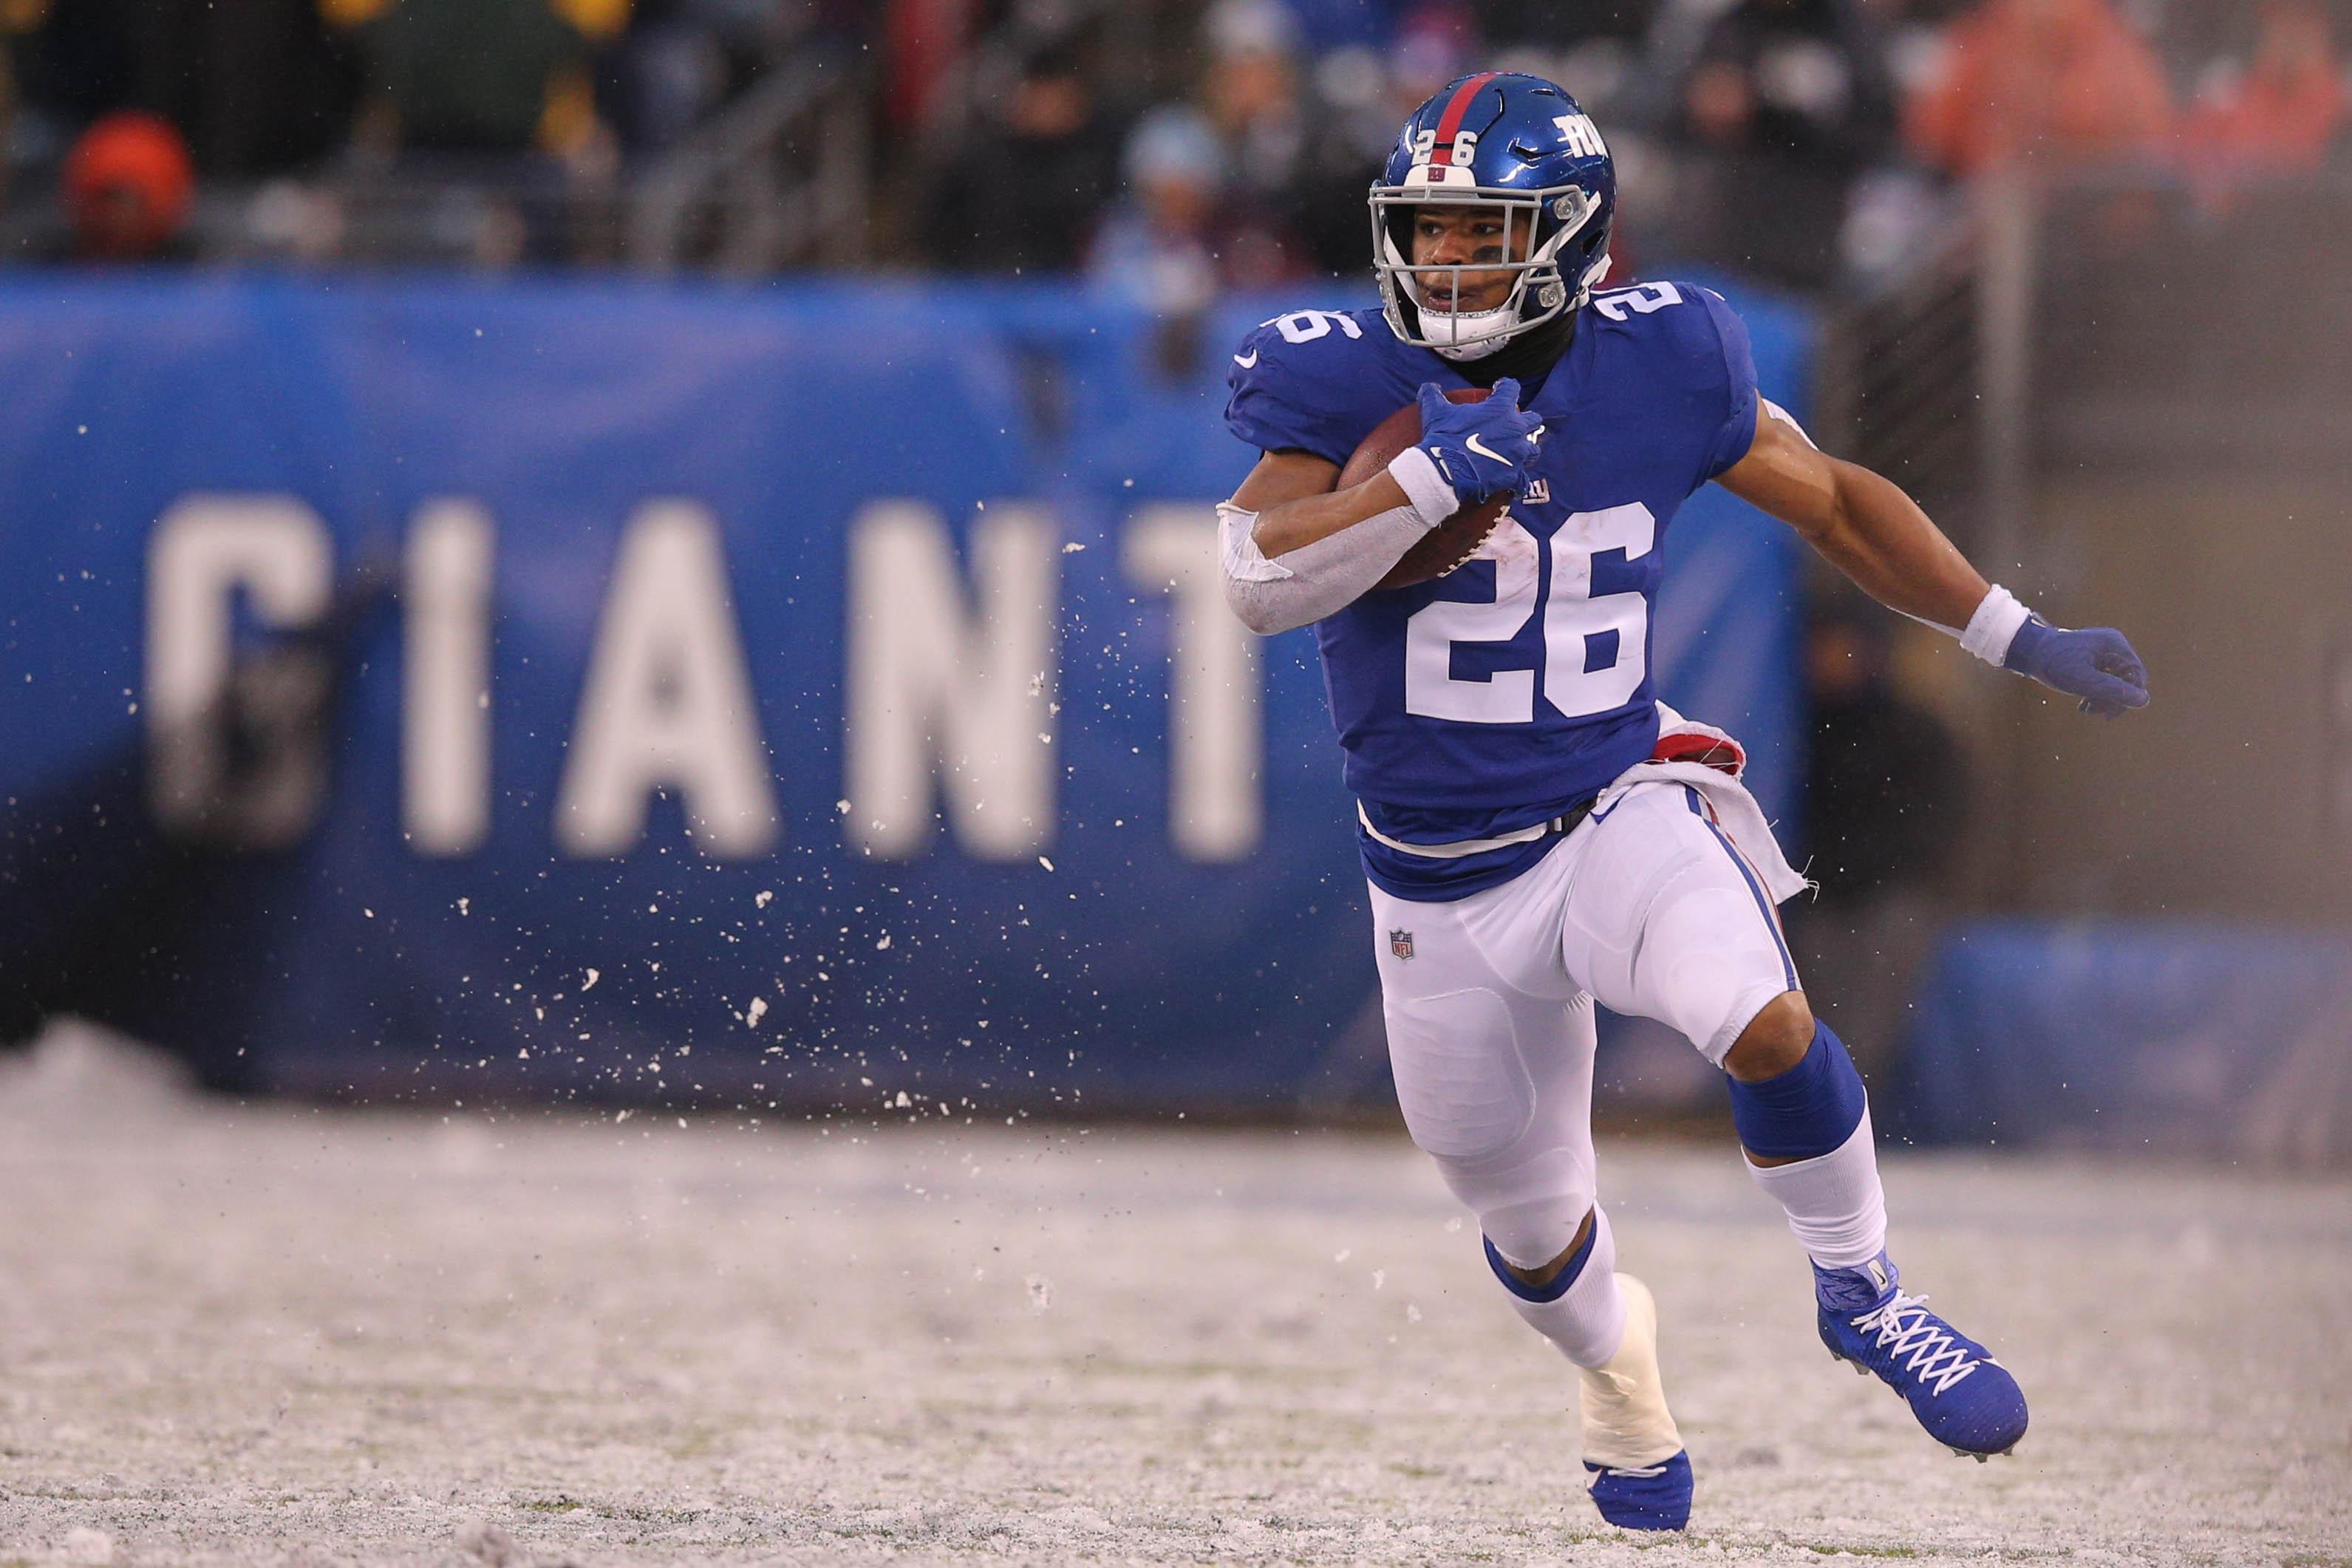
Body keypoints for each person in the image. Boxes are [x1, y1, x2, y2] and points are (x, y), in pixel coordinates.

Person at [1216, 71, 2147, 1533]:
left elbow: (1834, 500)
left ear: (1573, 237)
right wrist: (1412, 491)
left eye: (1482, 234)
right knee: (1523, 1222)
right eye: (1430, 234)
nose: (1445, 264)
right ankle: (1616, 1368)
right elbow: (1258, 574)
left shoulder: (1667, 356)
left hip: (1609, 803)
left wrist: (2006, 630)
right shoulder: (1345, 379)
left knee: (1760, 1015)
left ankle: (1861, 1288)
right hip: (1434, 885)